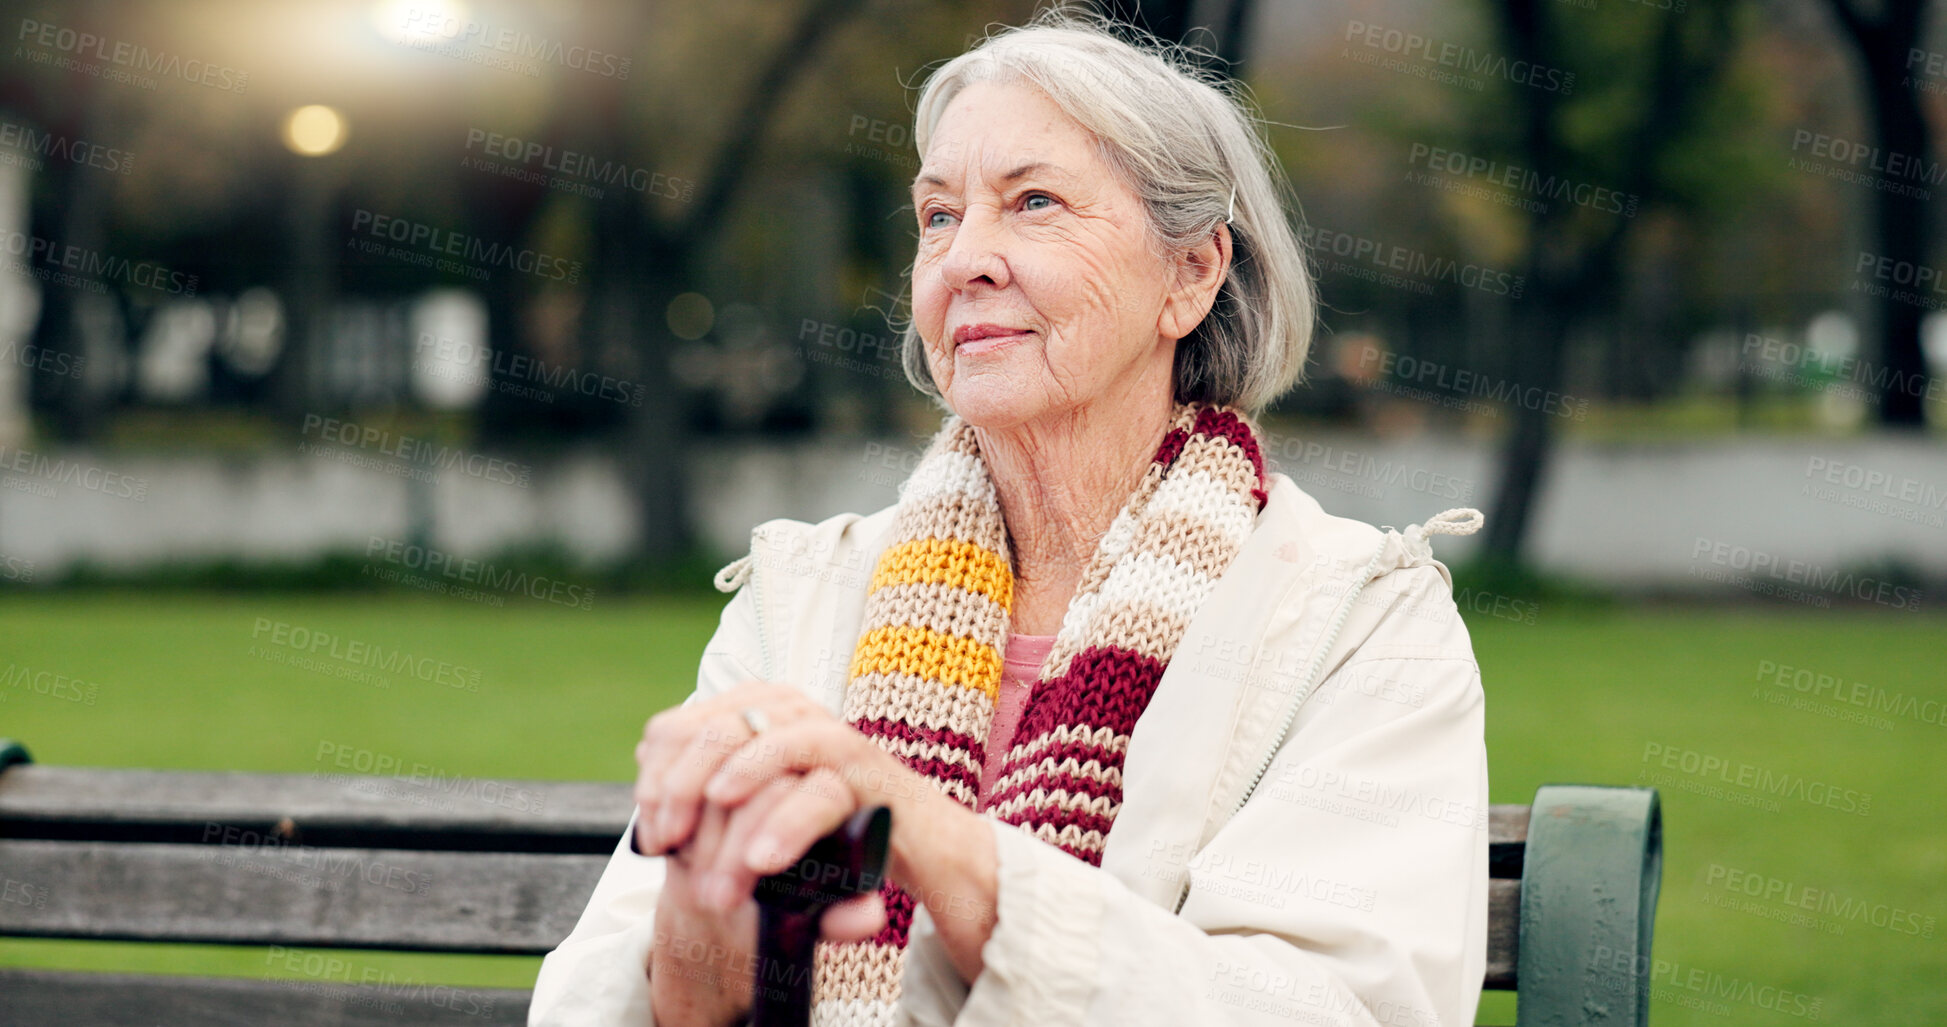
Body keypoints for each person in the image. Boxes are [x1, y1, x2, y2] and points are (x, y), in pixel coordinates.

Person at [531, 8, 1488, 1026]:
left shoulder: (1361, 624)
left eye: (1033, 202)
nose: (963, 260)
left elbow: (1332, 1010)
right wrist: (708, 903)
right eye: (938, 216)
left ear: (1192, 273)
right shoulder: (800, 593)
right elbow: (649, 996)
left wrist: (939, 844)